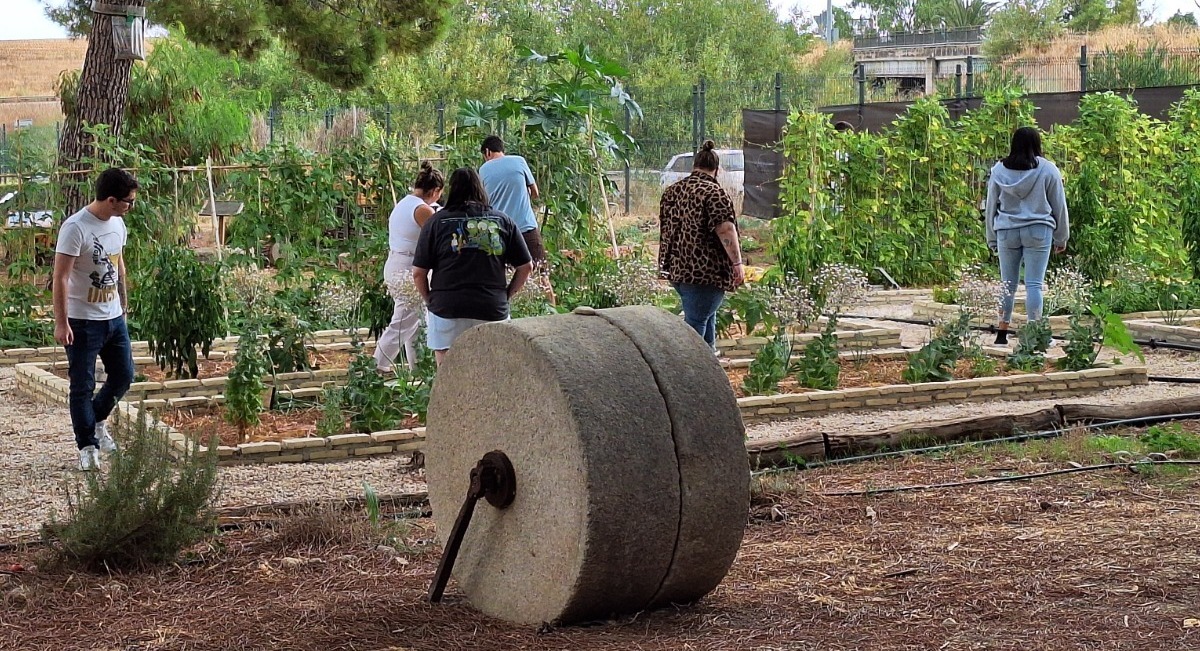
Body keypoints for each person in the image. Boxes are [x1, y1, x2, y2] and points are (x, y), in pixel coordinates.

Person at [52, 168, 138, 471]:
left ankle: (97, 421)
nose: (131, 207)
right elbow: (60, 277)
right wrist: (61, 323)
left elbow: (119, 263)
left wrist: (124, 304)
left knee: (124, 375)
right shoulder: (76, 228)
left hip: (114, 318)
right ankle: (87, 444)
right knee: (82, 385)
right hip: (82, 322)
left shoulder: (118, 225)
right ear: (111, 200)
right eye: (128, 202)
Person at [412, 167, 533, 366]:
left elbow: (418, 273)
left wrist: (430, 301)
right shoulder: (503, 220)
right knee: (493, 372)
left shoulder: (435, 222)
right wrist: (506, 294)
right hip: (492, 308)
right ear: (480, 188)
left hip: (446, 307)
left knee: (448, 376)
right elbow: (526, 266)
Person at [985, 126, 1070, 344]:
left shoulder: (998, 170)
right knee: (1034, 284)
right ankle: (1035, 336)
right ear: (1037, 144)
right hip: (1038, 230)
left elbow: (991, 206)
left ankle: (1002, 333)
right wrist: (1062, 237)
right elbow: (1059, 205)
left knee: (1008, 284)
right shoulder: (1048, 169)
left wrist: (991, 237)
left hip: (1006, 231)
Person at [658, 140, 745, 351]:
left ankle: (710, 374)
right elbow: (725, 230)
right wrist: (737, 264)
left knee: (705, 323)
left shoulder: (672, 191)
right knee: (694, 332)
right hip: (704, 273)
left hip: (677, 270)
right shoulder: (714, 193)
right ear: (716, 169)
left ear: (694, 165)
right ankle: (688, 377)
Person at [374, 162, 444, 373]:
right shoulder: (422, 209)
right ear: (435, 191)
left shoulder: (406, 203)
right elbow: (439, 234)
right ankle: (377, 365)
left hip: (396, 264)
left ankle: (419, 369)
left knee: (417, 322)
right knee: (404, 321)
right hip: (407, 269)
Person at [478, 135, 544, 266]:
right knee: (541, 275)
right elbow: (535, 193)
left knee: (506, 276)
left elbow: (483, 201)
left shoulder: (483, 170)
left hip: (499, 231)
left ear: (487, 152)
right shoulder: (519, 161)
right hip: (526, 228)